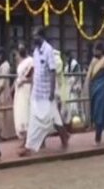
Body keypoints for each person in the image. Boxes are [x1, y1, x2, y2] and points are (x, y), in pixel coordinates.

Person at [20, 28, 69, 157]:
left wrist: (52, 91)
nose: (33, 38)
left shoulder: (49, 51)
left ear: (41, 36)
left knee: (50, 118)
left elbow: (52, 71)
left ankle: (63, 137)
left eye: (35, 36)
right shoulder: (36, 51)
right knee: (35, 118)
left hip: (47, 93)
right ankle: (29, 146)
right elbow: (35, 71)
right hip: (37, 92)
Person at [85, 42, 104, 145]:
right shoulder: (94, 61)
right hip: (94, 90)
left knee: (99, 113)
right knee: (98, 113)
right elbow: (90, 76)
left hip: (103, 90)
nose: (94, 52)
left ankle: (98, 139)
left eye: (96, 50)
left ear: (101, 51)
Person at [0, 48, 15, 141]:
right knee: (0, 114)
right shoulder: (2, 66)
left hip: (3, 92)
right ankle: (1, 133)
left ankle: (5, 134)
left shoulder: (5, 66)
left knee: (4, 114)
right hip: (0, 92)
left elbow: (2, 81)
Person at [13, 45, 33, 146]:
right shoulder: (20, 64)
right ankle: (25, 139)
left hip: (27, 90)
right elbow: (18, 77)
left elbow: (32, 77)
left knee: (27, 113)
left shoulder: (30, 61)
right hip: (20, 91)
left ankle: (27, 141)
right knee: (20, 113)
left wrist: (24, 81)